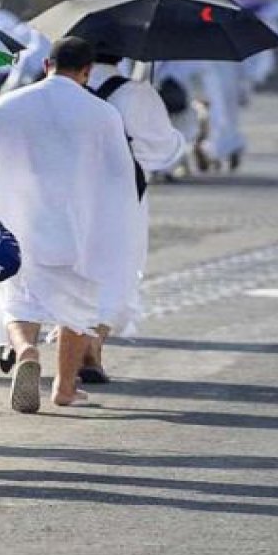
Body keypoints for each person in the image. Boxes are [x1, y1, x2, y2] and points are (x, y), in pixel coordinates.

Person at [0, 37, 139, 410]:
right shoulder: (101, 113)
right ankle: (65, 387)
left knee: (18, 302)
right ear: (87, 71)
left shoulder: (7, 106)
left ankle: (26, 351)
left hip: (21, 221)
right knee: (78, 307)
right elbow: (118, 177)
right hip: (78, 226)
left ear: (47, 64)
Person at [84, 52, 185, 381]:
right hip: (121, 193)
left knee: (70, 268)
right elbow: (163, 151)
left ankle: (39, 345)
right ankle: (93, 344)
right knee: (116, 269)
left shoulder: (55, 88)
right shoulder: (137, 93)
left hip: (65, 193)